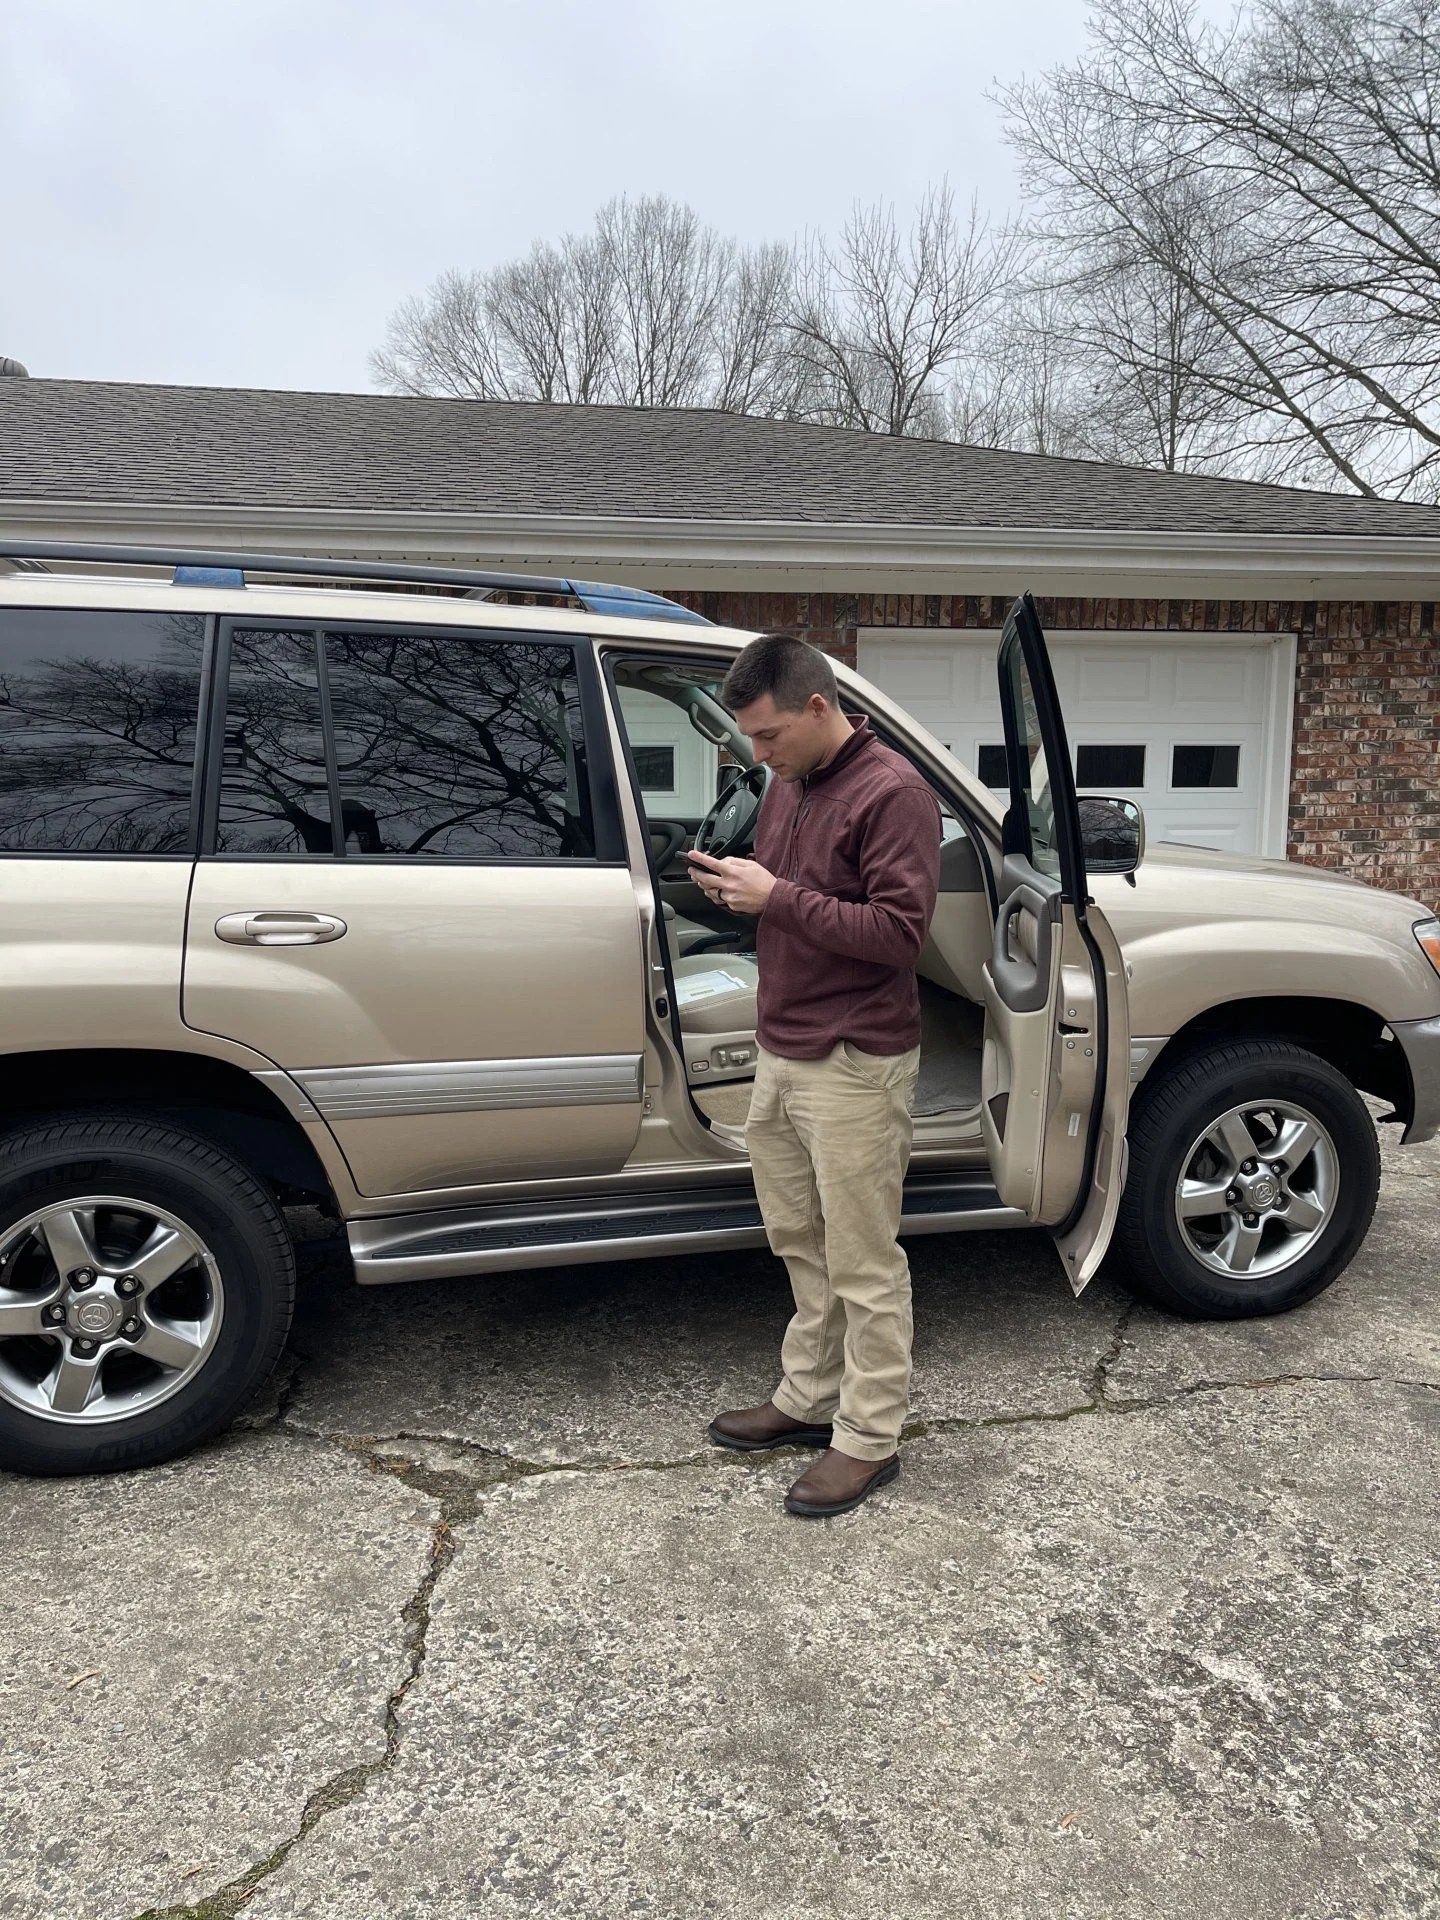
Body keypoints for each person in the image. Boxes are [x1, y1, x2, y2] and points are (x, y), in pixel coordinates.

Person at [688, 634, 941, 1518]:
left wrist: (776, 899)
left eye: (766, 735)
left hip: (854, 1058)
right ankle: (806, 1398)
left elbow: (900, 935)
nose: (756, 754)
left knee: (864, 1260)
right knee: (799, 1239)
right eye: (750, 740)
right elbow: (795, 901)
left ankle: (869, 1437)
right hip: (785, 1047)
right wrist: (738, 890)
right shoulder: (788, 785)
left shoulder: (895, 793)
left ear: (818, 708)